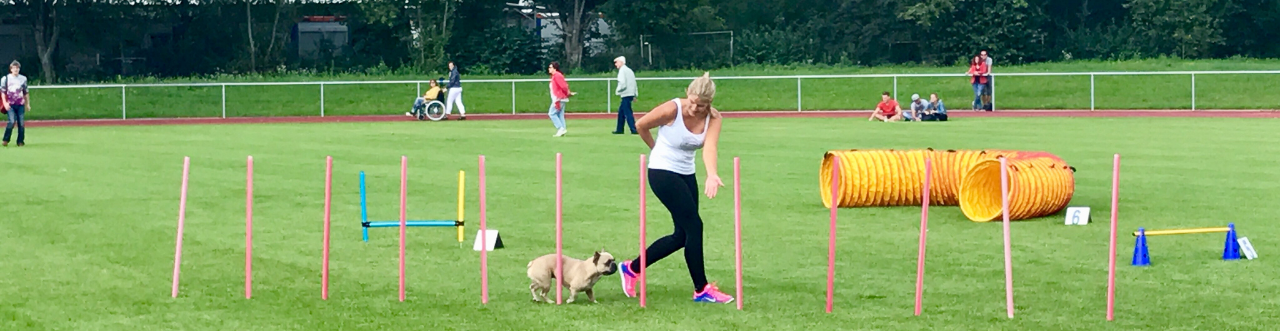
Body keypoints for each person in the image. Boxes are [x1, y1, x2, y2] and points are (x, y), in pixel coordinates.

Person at [618, 72, 734, 304]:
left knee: (682, 235)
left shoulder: (714, 118)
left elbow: (710, 148)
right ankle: (701, 289)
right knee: (695, 226)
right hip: (661, 171)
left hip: (686, 173)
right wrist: (656, 149)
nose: (693, 108)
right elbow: (641, 125)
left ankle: (632, 268)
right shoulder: (673, 109)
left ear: (709, 104)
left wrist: (712, 174)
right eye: (691, 101)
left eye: (699, 105)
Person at [2, 60, 28, 147]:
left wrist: (27, 104)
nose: (16, 70)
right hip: (10, 104)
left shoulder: (23, 79)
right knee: (11, 121)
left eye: (17, 68)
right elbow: (3, 92)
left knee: (21, 123)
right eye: (14, 68)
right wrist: (5, 103)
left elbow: (25, 92)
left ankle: (20, 141)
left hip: (20, 104)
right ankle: (6, 139)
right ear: (11, 69)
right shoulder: (6, 79)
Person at [547, 62, 575, 137]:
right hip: (560, 98)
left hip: (559, 98)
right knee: (560, 114)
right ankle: (563, 129)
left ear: (554, 68)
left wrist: (568, 93)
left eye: (550, 67)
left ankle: (560, 128)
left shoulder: (557, 76)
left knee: (552, 113)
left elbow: (563, 86)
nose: (549, 69)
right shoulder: (555, 76)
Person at [612, 56, 638, 134]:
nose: (616, 64)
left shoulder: (622, 71)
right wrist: (635, 94)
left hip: (625, 94)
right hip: (630, 94)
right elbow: (634, 83)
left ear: (621, 62)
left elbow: (622, 83)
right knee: (621, 112)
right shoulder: (629, 70)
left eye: (616, 62)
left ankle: (634, 129)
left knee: (627, 112)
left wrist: (618, 91)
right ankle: (619, 129)